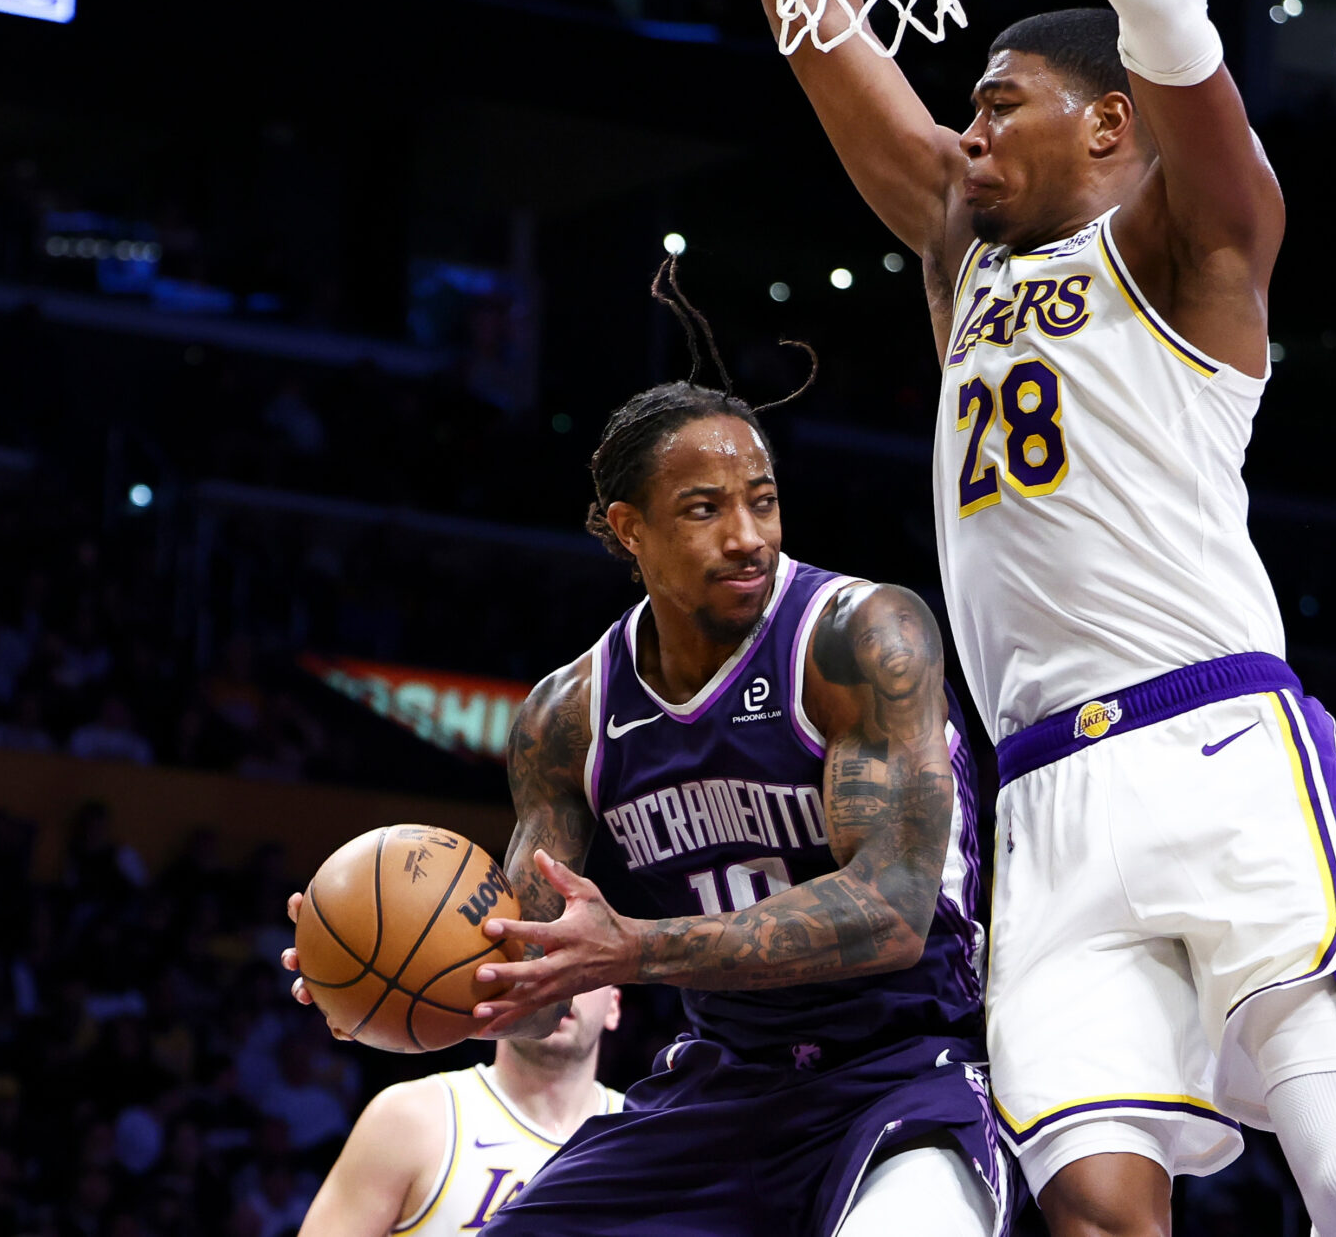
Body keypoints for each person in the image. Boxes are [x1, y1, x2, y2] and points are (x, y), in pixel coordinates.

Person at [710, 0, 1336, 1237]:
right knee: (1098, 1213)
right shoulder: (966, 263)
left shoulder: (1201, 244)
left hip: (1218, 745)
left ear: (1110, 123)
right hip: (1039, 795)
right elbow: (822, 33)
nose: (969, 130)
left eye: (1002, 97)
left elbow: (1170, 18)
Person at [286, 266, 1000, 1237]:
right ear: (630, 530)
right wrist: (368, 990)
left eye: (763, 499)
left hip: (910, 1064)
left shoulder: (859, 637)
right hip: (729, 1088)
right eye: (706, 509)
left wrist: (632, 948)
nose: (748, 536)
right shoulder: (566, 717)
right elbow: (526, 978)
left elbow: (891, 910)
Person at [297, 987, 623, 1236]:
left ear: (614, 1007)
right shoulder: (411, 1118)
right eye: (543, 957)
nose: (561, 984)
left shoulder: (649, 1132)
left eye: (584, 968)